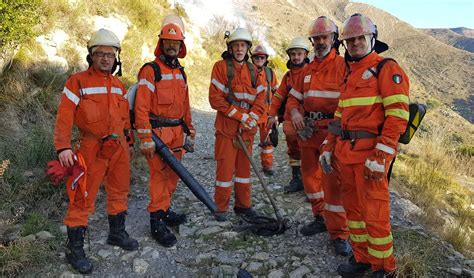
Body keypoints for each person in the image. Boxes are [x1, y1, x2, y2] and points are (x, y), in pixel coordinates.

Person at [322, 13, 409, 277]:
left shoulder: (386, 68)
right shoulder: (350, 74)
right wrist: (328, 146)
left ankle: (384, 268)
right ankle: (362, 260)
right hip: (346, 156)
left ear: (372, 38)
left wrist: (382, 154)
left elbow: (398, 115)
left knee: (375, 215)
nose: (356, 43)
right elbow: (340, 117)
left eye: (361, 38)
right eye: (351, 39)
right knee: (355, 213)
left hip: (371, 157)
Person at [54, 28, 138, 274]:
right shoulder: (76, 82)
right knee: (82, 197)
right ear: (91, 56)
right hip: (91, 148)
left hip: (119, 148)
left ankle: (117, 233)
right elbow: (64, 118)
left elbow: (125, 120)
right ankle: (75, 249)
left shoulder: (119, 85)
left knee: (120, 190)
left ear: (116, 59)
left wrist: (130, 143)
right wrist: (63, 147)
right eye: (99, 54)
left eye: (110, 55)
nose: (105, 59)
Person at [287, 16, 351, 256]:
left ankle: (339, 234)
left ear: (333, 39)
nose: (320, 42)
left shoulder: (343, 66)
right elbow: (294, 97)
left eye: (324, 37)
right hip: (308, 132)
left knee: (333, 185)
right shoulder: (307, 69)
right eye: (316, 39)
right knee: (310, 180)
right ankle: (320, 217)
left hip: (331, 134)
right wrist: (294, 111)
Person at [134, 15, 195, 248]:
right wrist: (145, 138)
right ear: (161, 44)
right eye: (168, 42)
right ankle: (156, 220)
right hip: (158, 134)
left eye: (176, 42)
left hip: (177, 133)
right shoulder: (150, 71)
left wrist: (191, 132)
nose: (172, 46)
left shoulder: (181, 73)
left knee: (173, 175)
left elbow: (186, 107)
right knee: (159, 176)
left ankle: (165, 209)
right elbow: (140, 108)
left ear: (181, 46)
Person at [208, 28, 266, 222]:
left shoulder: (255, 72)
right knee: (224, 171)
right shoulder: (220, 67)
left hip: (247, 129)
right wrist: (240, 115)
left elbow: (261, 99)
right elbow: (215, 99)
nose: (240, 49)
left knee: (244, 171)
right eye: (236, 45)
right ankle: (221, 208)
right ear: (230, 48)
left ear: (248, 48)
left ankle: (243, 206)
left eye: (243, 45)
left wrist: (252, 118)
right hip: (226, 128)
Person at [267, 36, 309, 193]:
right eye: (293, 54)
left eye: (299, 54)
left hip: (306, 121)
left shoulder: (311, 72)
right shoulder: (288, 75)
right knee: (293, 151)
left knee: (308, 152)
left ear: (305, 55)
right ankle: (296, 179)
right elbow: (278, 96)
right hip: (290, 123)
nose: (296, 57)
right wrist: (271, 115)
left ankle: (310, 184)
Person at [250, 44, 279, 177]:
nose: (259, 59)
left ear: (266, 58)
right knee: (247, 140)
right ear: (252, 58)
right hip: (252, 113)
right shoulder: (247, 72)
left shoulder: (269, 73)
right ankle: (243, 165)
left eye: (262, 57)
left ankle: (267, 166)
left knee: (267, 142)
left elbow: (276, 92)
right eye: (257, 57)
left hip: (266, 113)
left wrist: (276, 113)